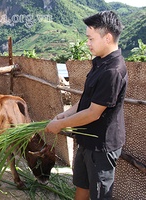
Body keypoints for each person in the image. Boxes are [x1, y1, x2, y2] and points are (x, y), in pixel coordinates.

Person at [45, 11, 128, 200]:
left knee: (100, 194)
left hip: (101, 146)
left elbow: (93, 113)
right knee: (82, 184)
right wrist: (64, 115)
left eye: (91, 39)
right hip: (87, 140)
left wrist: (60, 125)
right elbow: (86, 100)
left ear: (107, 38)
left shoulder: (113, 71)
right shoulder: (100, 63)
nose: (88, 43)